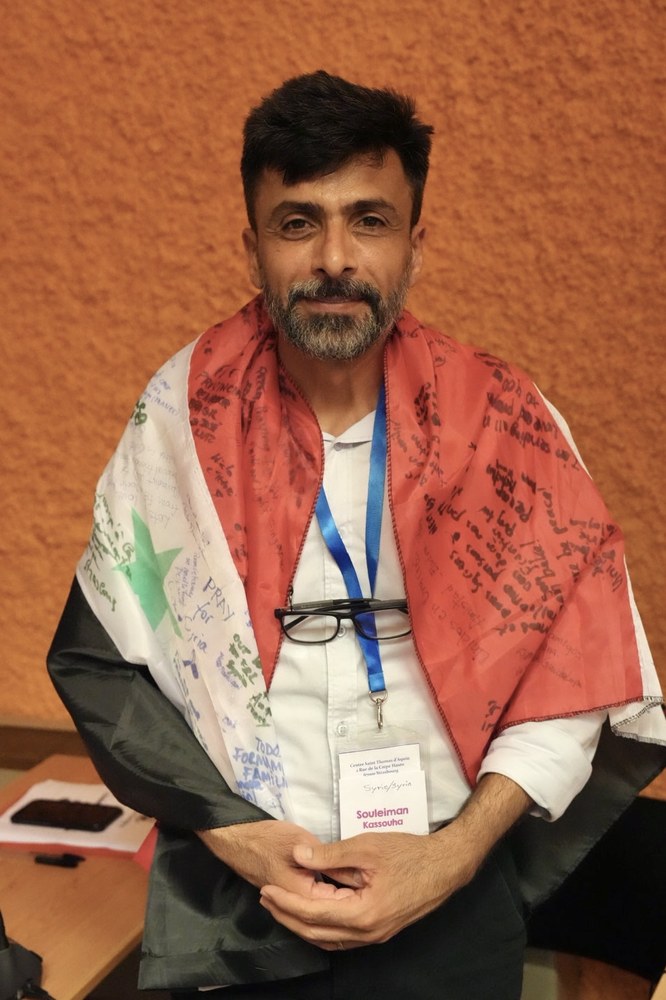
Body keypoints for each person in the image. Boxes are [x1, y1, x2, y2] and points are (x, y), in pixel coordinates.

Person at [47, 71, 665, 1000]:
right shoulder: (179, 417)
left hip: (451, 903)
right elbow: (103, 666)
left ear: (416, 244)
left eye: (368, 221)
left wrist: (452, 858)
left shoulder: (506, 420)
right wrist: (238, 838)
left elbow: (573, 679)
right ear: (252, 246)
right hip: (243, 907)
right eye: (298, 222)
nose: (334, 257)